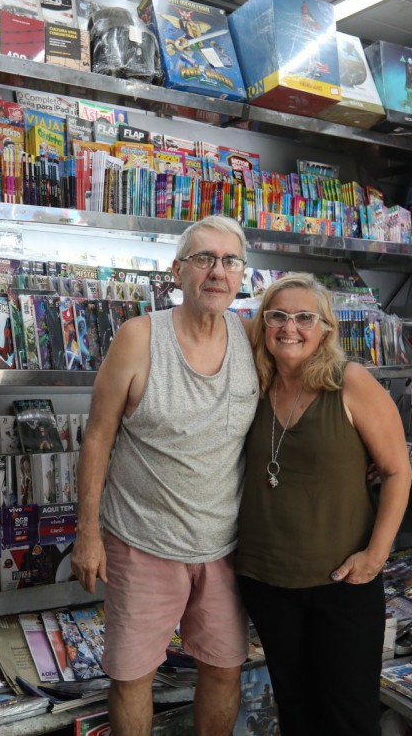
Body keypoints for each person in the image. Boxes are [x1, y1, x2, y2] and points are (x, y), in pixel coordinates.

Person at [72, 215, 258, 736]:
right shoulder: (139, 338)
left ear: (242, 275)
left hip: (224, 547)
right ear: (177, 271)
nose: (217, 272)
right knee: (133, 678)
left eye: (229, 261)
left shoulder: (251, 339)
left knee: (224, 671)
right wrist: (88, 535)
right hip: (141, 542)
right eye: (203, 260)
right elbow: (97, 438)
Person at [235, 274, 411, 736]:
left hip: (342, 583)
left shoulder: (349, 382)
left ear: (326, 329)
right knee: (295, 711)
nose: (289, 327)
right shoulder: (251, 385)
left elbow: (396, 471)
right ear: (263, 325)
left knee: (348, 715)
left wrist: (376, 556)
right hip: (266, 581)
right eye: (277, 315)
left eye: (304, 317)